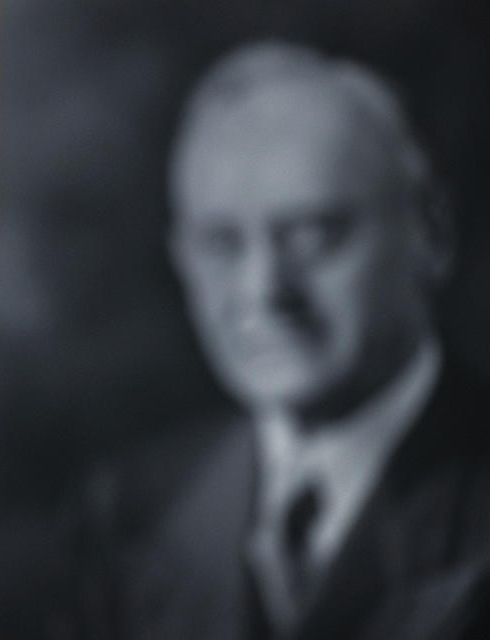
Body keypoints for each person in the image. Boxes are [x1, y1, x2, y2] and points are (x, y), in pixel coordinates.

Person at [93, 41, 490, 639]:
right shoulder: (127, 514)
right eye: (222, 244)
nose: (264, 293)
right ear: (181, 258)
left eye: (312, 234)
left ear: (431, 233)